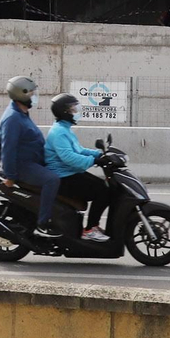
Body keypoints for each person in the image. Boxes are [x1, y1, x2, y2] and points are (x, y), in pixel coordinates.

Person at [0, 76, 61, 240]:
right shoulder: (13, 118)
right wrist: (10, 176)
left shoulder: (21, 113)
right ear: (22, 94)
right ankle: (43, 223)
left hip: (33, 162)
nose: (34, 96)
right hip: (23, 166)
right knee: (51, 180)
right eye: (32, 93)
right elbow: (8, 149)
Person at [44, 94, 112, 241]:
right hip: (63, 177)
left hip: (70, 173)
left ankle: (92, 226)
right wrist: (94, 161)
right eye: (73, 109)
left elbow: (79, 150)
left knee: (105, 187)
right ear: (64, 112)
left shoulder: (64, 129)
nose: (76, 112)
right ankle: (90, 229)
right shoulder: (59, 132)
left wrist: (99, 154)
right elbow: (69, 157)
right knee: (104, 191)